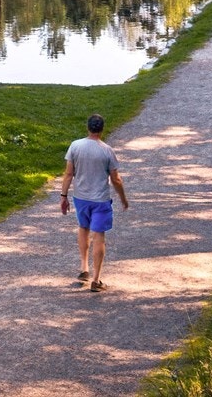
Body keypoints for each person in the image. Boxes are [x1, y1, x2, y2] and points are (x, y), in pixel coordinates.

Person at [60, 113, 129, 292]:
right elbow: (116, 179)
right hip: (101, 200)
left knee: (83, 228)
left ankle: (84, 268)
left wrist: (63, 196)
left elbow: (68, 174)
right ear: (102, 129)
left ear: (88, 127)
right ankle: (96, 281)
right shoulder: (107, 151)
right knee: (99, 235)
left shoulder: (75, 146)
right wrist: (123, 198)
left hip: (81, 198)